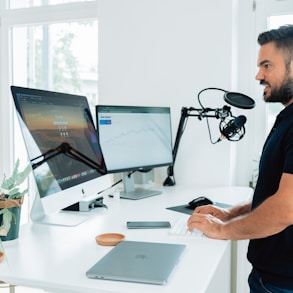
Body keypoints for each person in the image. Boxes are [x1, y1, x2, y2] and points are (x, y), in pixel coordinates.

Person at [187, 24, 293, 293]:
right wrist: (229, 215)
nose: (258, 75)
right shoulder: (286, 120)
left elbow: (286, 209)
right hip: (270, 278)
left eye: (267, 65)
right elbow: (272, 191)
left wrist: (222, 231)